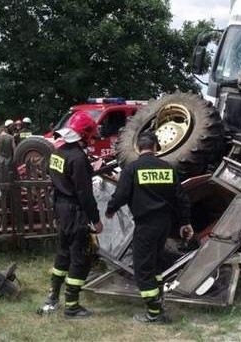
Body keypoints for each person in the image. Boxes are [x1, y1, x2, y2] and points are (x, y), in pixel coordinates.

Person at [105, 132, 193, 323]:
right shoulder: (168, 169)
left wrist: (111, 209)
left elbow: (121, 195)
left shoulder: (132, 168)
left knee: (143, 268)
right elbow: (181, 198)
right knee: (156, 264)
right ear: (155, 147)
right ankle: (158, 301)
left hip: (145, 225)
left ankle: (153, 313)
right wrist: (185, 222)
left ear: (138, 147)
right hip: (164, 224)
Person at [37, 111, 104, 318]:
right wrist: (96, 219)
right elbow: (85, 194)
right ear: (84, 134)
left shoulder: (57, 153)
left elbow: (61, 179)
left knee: (63, 253)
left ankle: (53, 296)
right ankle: (72, 306)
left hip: (60, 209)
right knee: (79, 258)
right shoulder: (78, 158)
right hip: (75, 211)